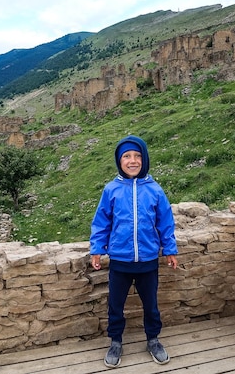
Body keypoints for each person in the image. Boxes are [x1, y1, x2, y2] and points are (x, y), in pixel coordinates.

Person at [90, 135, 178, 368]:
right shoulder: (111, 190)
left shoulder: (155, 190)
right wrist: (97, 249)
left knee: (151, 304)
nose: (132, 161)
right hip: (119, 260)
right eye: (126, 156)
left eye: (137, 156)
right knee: (115, 305)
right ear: (119, 161)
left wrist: (170, 249)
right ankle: (116, 341)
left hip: (148, 260)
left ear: (145, 159)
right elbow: (101, 222)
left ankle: (153, 339)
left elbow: (165, 223)